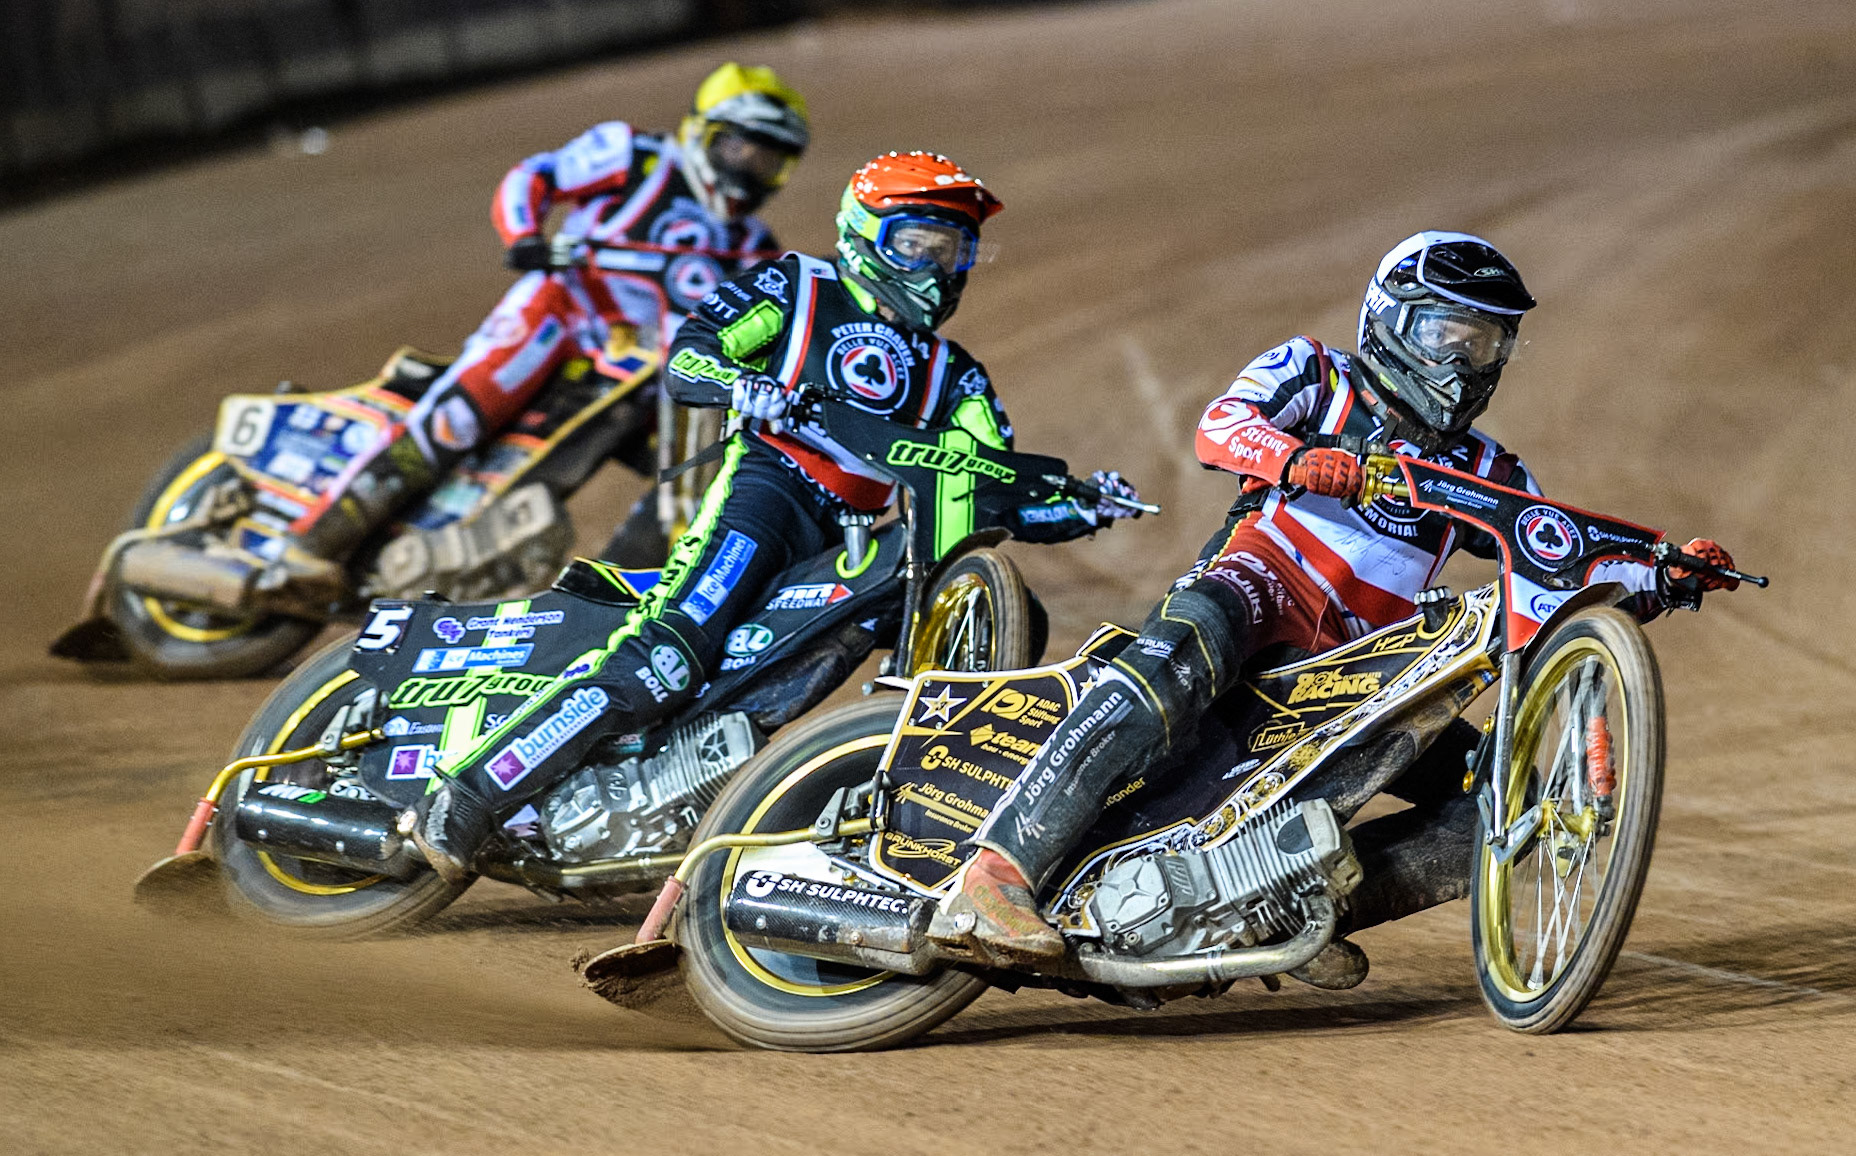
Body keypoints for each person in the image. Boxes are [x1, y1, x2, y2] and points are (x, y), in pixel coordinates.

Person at [930, 230, 1741, 964]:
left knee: (1505, 797)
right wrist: (1295, 458)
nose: (1463, 363)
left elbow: (1557, 565)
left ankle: (1294, 913)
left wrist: (1663, 578)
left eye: (1485, 341)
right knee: (1192, 640)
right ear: (1390, 319)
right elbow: (1220, 425)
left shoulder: (1492, 472)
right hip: (1263, 584)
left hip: (1362, 673)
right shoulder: (1319, 376)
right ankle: (994, 875)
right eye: (1444, 334)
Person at [405, 151, 1144, 881]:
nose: (933, 267)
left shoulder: (957, 374)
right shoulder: (799, 285)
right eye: (914, 244)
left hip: (850, 536)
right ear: (865, 233)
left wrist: (1083, 502)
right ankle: (466, 793)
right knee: (665, 658)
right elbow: (691, 355)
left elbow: (989, 482)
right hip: (768, 488)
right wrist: (741, 383)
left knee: (798, 669)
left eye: (951, 249)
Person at [283, 62, 811, 575]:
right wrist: (525, 237)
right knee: (459, 416)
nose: (750, 167)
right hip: (564, 312)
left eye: (769, 159)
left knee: (709, 469)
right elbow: (535, 176)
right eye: (740, 146)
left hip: (644, 374)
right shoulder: (637, 157)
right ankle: (313, 540)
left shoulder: (753, 247)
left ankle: (619, 592)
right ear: (703, 131)